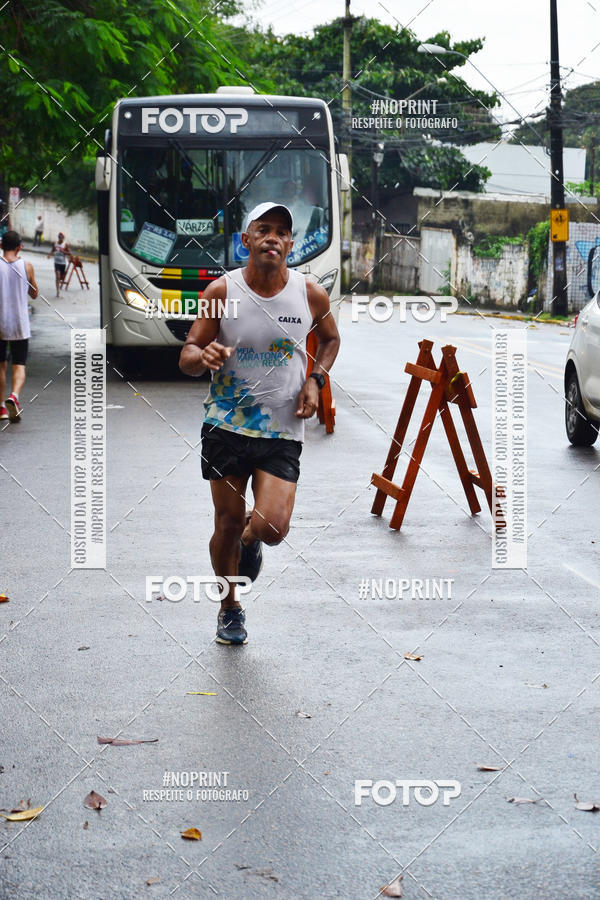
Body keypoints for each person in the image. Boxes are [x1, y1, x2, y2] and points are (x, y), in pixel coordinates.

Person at [179, 201, 340, 645]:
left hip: (281, 429)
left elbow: (330, 339)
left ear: (291, 244)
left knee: (272, 528)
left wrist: (316, 380)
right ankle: (229, 607)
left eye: (282, 232)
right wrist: (203, 355)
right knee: (226, 522)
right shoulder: (222, 292)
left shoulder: (310, 294)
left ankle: (252, 538)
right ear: (246, 240)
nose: (273, 237)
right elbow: (188, 354)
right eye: (263, 229)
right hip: (226, 425)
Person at [0, 231, 38, 422]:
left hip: (0, 323)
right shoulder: (26, 266)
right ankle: (14, 396)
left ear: (1, 245)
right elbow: (34, 293)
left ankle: (1, 408)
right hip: (20, 325)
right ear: (19, 247)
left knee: (1, 366)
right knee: (19, 364)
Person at [48, 232, 70, 297]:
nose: (61, 239)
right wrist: (50, 255)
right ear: (58, 238)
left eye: (62, 238)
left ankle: (59, 284)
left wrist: (63, 251)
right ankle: (58, 290)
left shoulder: (65, 244)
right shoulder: (55, 244)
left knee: (61, 278)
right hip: (56, 262)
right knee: (57, 276)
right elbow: (52, 250)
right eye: (60, 237)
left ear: (63, 238)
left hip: (63, 263)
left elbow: (69, 253)